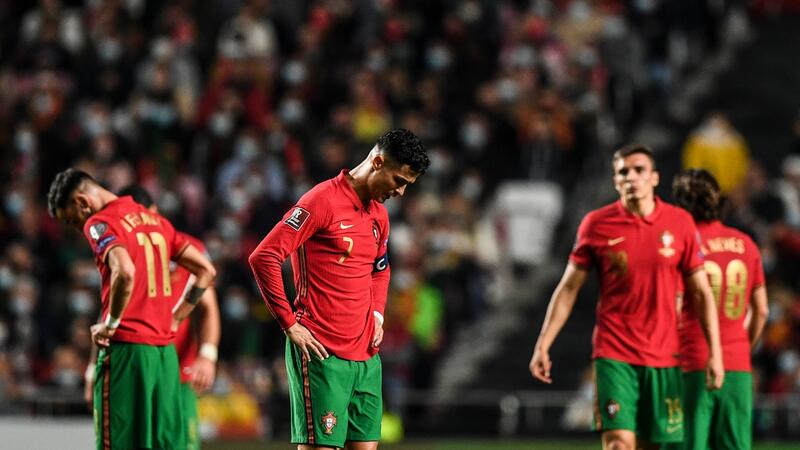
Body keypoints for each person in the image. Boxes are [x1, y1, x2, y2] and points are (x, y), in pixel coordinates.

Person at [528, 144, 725, 450]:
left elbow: (701, 293)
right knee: (618, 443)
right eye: (623, 172)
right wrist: (543, 342)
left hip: (664, 357)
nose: (631, 177)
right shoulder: (596, 224)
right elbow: (568, 288)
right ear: (615, 181)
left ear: (655, 178)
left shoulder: (680, 224)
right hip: (614, 354)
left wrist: (715, 353)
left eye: (639, 170)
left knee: (651, 445)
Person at [248, 129, 429, 450]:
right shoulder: (321, 200)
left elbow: (380, 270)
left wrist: (377, 315)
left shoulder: (379, 214)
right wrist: (289, 323)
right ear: (377, 162)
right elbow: (264, 257)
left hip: (366, 356)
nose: (401, 192)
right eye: (399, 180)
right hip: (322, 352)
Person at [48, 168, 216, 450]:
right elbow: (206, 270)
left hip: (127, 350)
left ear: (81, 202)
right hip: (165, 356)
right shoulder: (157, 222)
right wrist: (177, 317)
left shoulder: (100, 223)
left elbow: (124, 270)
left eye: (72, 220)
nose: (78, 227)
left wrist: (111, 323)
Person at [672, 169, 769, 450]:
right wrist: (741, 347)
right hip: (737, 366)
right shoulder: (746, 244)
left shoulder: (682, 245)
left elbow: (673, 308)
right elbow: (761, 310)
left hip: (692, 362)